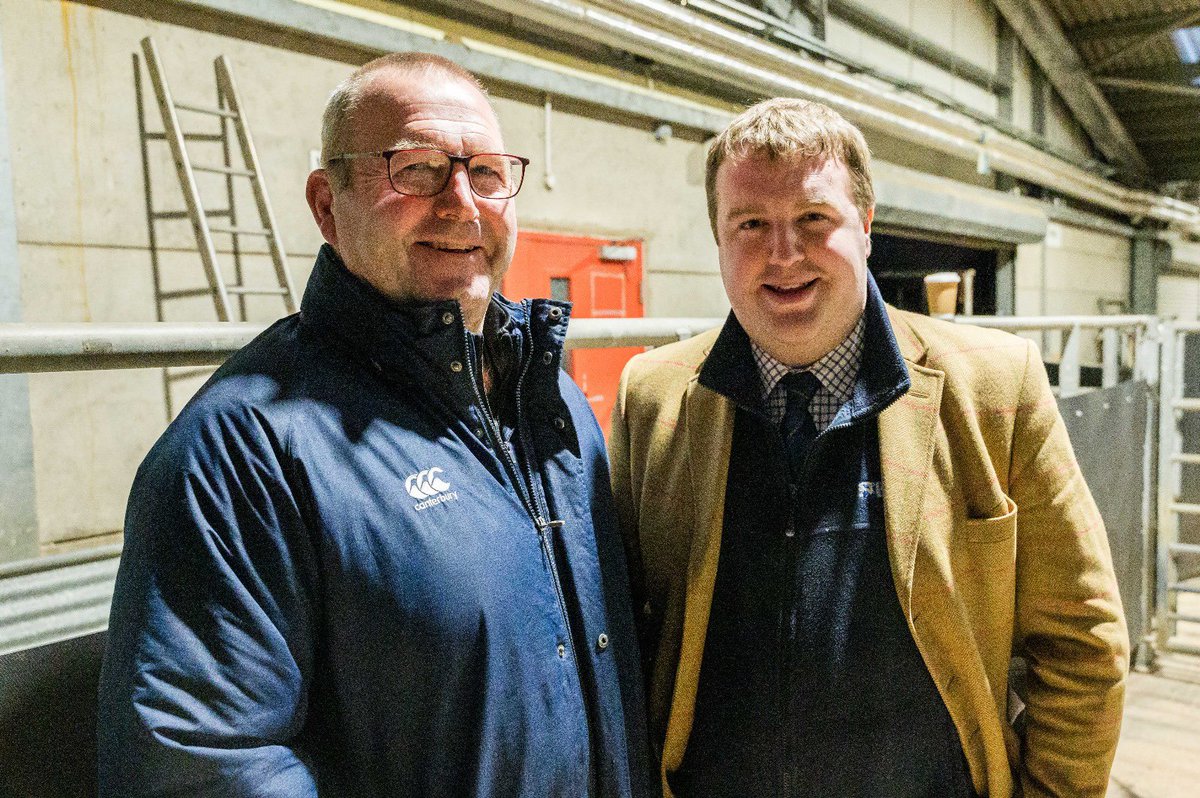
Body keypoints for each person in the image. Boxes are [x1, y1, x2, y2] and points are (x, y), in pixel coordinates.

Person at [99, 52, 651, 797]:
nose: (462, 203)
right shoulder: (244, 449)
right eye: (417, 169)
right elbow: (200, 767)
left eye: (486, 172)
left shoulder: (546, 405)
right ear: (328, 204)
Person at [609, 97, 1128, 798]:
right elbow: (626, 639)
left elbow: (1083, 643)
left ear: (867, 225)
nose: (783, 253)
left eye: (813, 219)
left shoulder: (993, 387)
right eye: (751, 224)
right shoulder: (654, 397)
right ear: (719, 240)